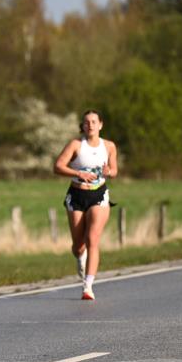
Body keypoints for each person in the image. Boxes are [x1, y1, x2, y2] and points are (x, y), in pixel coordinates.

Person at [53, 110, 119, 301]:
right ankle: (80, 257)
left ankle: (88, 286)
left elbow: (114, 171)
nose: (90, 125)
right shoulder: (75, 145)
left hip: (99, 194)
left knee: (92, 239)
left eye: (94, 122)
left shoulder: (109, 146)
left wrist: (109, 172)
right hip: (76, 195)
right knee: (79, 246)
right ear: (82, 126)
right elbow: (58, 167)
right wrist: (78, 173)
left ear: (101, 125)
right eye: (86, 122)